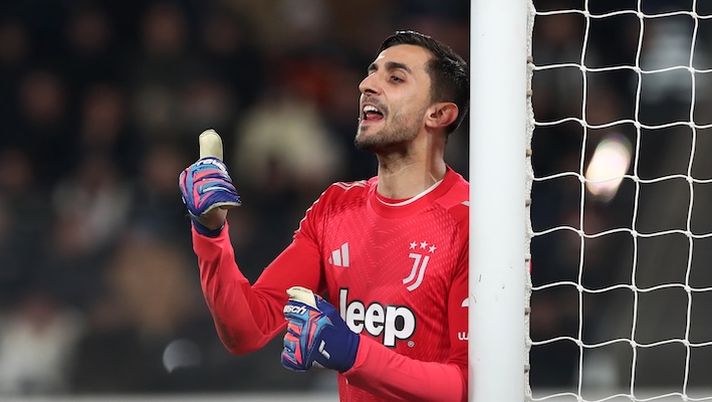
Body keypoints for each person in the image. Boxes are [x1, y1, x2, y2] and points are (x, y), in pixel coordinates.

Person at [179, 30, 469, 401]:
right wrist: (209, 232)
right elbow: (247, 329)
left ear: (439, 113)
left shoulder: (472, 223)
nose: (367, 84)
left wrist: (352, 353)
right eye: (371, 72)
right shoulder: (336, 208)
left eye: (395, 77)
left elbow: (470, 387)